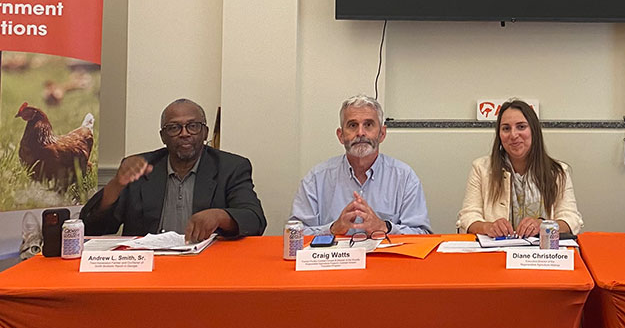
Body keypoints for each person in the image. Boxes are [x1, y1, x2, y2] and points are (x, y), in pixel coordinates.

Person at [80, 99, 267, 242]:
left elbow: (255, 220)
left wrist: (220, 216)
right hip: (150, 264)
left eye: (193, 126)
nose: (184, 133)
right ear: (163, 136)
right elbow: (91, 228)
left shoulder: (231, 167)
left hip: (207, 264)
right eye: (174, 128)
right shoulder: (140, 167)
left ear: (205, 133)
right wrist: (115, 186)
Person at [290, 95, 431, 235]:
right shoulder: (316, 179)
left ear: (382, 134)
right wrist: (332, 229)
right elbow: (293, 234)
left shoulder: (404, 178)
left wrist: (385, 227)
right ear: (340, 135)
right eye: (353, 125)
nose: (360, 133)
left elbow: (422, 234)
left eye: (368, 125)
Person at [458, 99, 583, 237]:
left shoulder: (558, 172)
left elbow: (571, 219)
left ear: (534, 131)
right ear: (499, 134)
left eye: (521, 127)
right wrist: (488, 227)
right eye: (506, 128)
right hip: (497, 248)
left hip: (542, 249)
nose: (513, 135)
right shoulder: (481, 168)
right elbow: (467, 217)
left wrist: (544, 226)